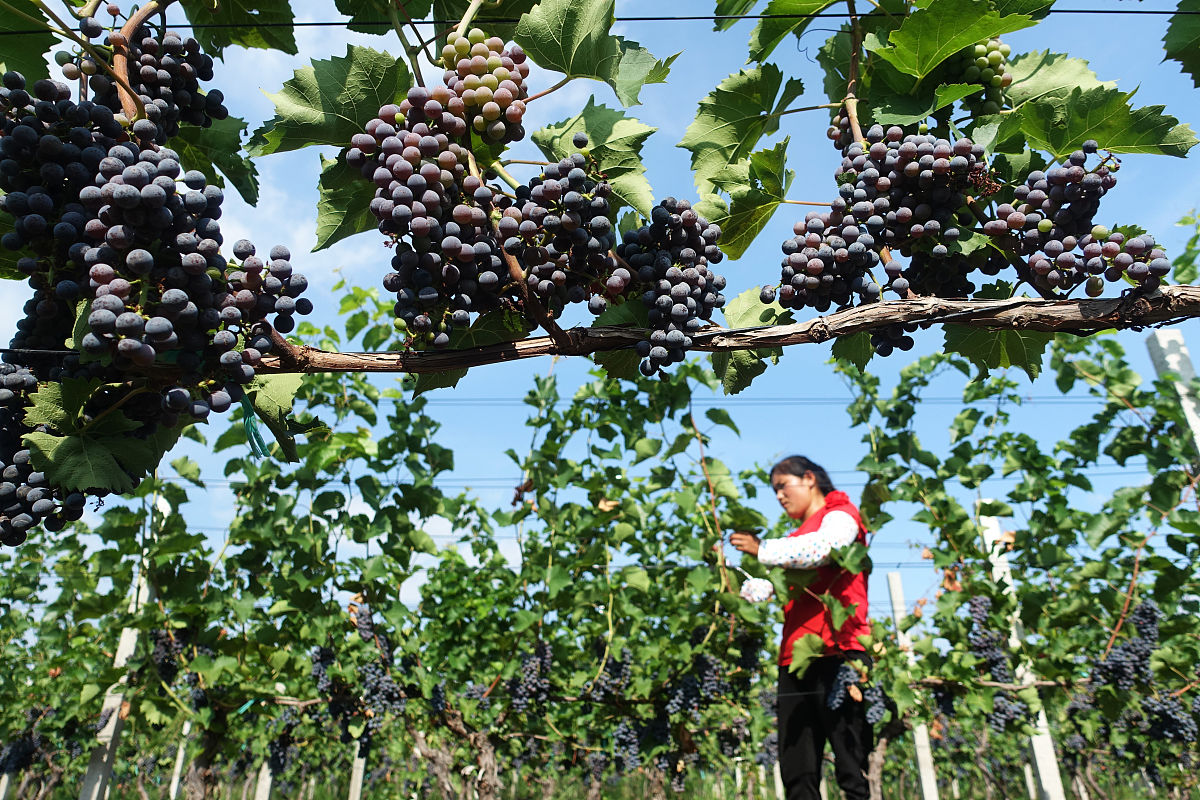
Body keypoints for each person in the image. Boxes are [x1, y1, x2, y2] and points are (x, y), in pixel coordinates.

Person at [730, 455, 872, 800]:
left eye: (783, 485)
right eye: (774, 490)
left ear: (809, 478)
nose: (779, 495)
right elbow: (786, 578)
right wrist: (750, 586)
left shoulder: (840, 515)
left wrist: (763, 548)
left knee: (851, 766)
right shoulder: (795, 537)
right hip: (795, 658)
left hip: (839, 652)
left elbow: (825, 549)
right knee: (797, 770)